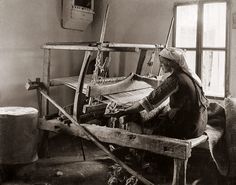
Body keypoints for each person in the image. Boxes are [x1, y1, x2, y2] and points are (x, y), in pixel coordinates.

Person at [111, 47, 208, 139]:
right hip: (199, 124)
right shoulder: (186, 75)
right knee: (161, 116)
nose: (160, 66)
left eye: (162, 63)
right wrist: (141, 78)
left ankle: (139, 152)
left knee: (138, 126)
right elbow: (162, 85)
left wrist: (123, 111)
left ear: (170, 63)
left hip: (187, 129)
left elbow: (147, 102)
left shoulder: (174, 79)